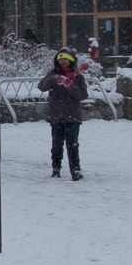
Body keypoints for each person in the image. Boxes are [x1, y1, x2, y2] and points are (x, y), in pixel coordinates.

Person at [38, 49, 88, 180]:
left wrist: (70, 86)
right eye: (60, 59)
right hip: (56, 115)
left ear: (71, 60)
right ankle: (56, 168)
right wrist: (54, 79)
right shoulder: (52, 74)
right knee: (56, 145)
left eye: (65, 59)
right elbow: (41, 86)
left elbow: (83, 95)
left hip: (72, 116)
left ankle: (75, 171)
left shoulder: (78, 76)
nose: (63, 61)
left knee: (73, 145)